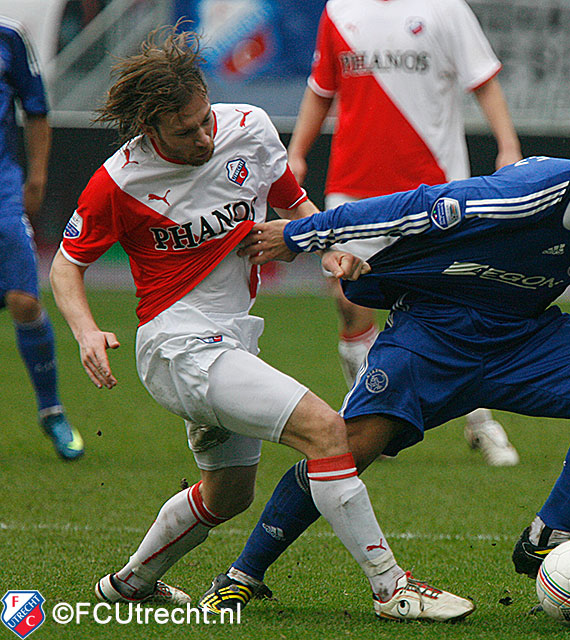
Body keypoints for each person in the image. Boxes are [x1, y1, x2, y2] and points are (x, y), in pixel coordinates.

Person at [48, 25, 473, 622]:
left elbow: (296, 206)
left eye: (204, 120)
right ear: (149, 129)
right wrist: (87, 332)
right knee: (327, 431)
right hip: (176, 347)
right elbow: (66, 266)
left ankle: (129, 584)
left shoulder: (248, 127)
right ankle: (391, 588)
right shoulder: (119, 181)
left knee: (228, 495)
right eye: (185, 131)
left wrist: (326, 245)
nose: (203, 137)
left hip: (231, 340)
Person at [197, 98, 570, 613]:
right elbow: (412, 207)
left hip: (524, 336)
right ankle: (242, 574)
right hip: (434, 334)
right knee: (342, 451)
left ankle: (547, 535)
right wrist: (299, 235)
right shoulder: (524, 194)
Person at [287, 0, 524, 467]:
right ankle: (369, 417)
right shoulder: (338, 11)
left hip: (435, 191)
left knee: (457, 310)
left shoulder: (446, 9)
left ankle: (480, 422)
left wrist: (509, 146)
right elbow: (320, 90)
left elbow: (484, 81)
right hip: (353, 187)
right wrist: (296, 153)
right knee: (349, 302)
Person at [0, 16, 83, 460]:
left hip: (3, 187)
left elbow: (36, 109)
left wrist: (37, 177)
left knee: (24, 300)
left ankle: (52, 411)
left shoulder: (9, 36)